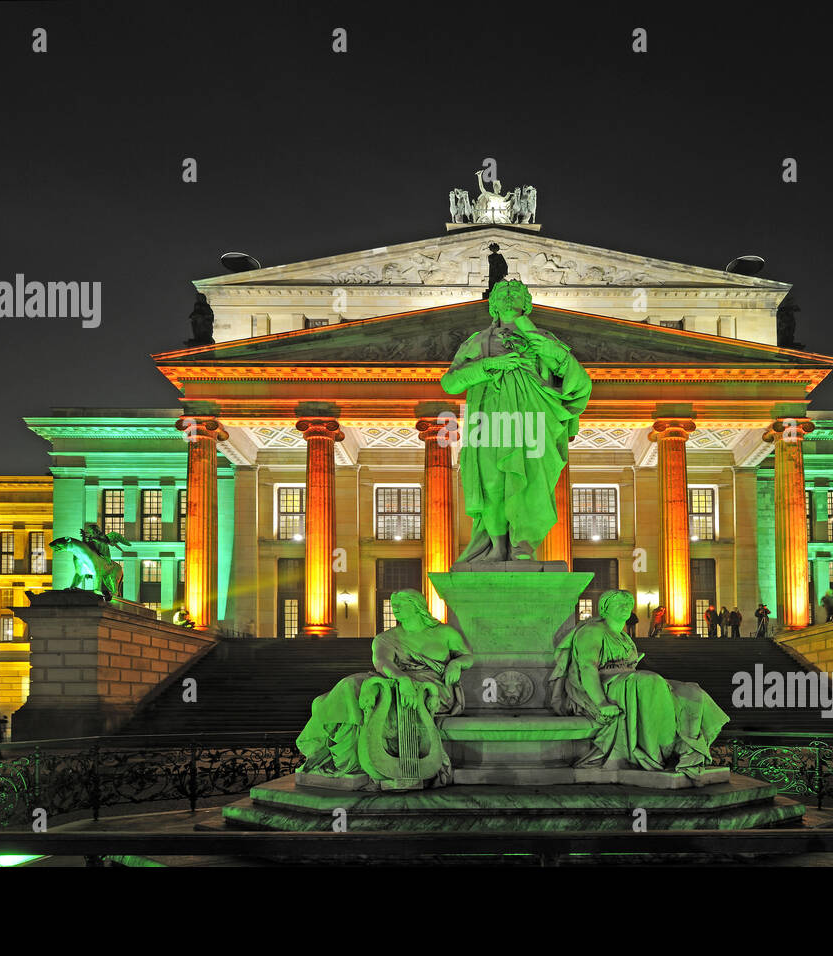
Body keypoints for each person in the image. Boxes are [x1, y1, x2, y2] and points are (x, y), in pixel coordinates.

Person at [440, 280, 592, 562]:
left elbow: (580, 382)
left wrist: (550, 350)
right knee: (492, 482)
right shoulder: (477, 341)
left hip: (533, 421)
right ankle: (497, 546)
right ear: (493, 304)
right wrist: (489, 365)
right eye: (503, 294)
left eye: (516, 294)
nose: (510, 298)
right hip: (491, 419)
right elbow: (450, 382)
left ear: (527, 303)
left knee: (531, 481)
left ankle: (522, 544)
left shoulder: (544, 339)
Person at [296, 589, 473, 787]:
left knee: (382, 697)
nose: (395, 609)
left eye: (400, 605)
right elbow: (381, 661)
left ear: (417, 606)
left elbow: (467, 656)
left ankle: (358, 760)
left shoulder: (445, 632)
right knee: (350, 686)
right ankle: (339, 757)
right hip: (396, 679)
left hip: (433, 688)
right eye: (393, 605)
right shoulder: (386, 638)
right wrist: (402, 679)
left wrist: (456, 664)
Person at [549, 589, 730, 775]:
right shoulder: (593, 630)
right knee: (650, 682)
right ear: (604, 609)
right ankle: (658, 753)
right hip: (603, 685)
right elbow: (587, 668)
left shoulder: (624, 637)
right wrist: (601, 702)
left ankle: (688, 748)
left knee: (690, 691)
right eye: (619, 604)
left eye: (628, 604)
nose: (625, 607)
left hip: (629, 680)